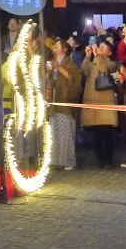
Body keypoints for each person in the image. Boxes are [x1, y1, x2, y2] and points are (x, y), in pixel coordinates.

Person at [80, 37, 119, 168]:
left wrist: (97, 56)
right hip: (93, 101)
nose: (100, 49)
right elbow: (84, 71)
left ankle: (109, 160)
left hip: (106, 102)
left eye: (104, 48)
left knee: (107, 133)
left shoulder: (111, 63)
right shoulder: (94, 62)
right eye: (100, 46)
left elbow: (104, 69)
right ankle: (100, 160)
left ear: (109, 52)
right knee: (96, 133)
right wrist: (87, 56)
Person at [47, 37, 82, 169]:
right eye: (54, 45)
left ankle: (68, 161)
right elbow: (46, 79)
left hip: (64, 99)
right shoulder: (53, 61)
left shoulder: (69, 61)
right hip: (54, 99)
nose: (55, 46)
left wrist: (58, 67)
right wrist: (49, 70)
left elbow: (74, 78)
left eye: (58, 45)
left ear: (65, 49)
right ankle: (54, 160)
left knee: (66, 132)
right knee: (53, 131)